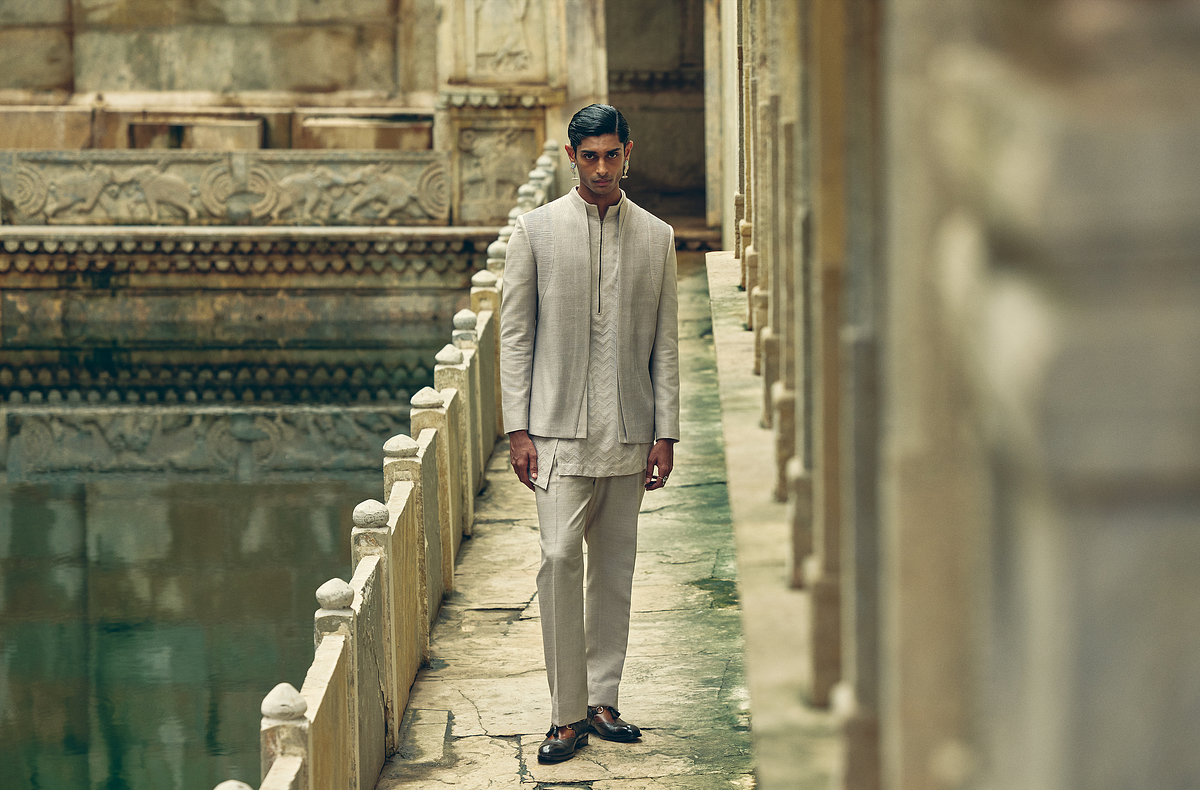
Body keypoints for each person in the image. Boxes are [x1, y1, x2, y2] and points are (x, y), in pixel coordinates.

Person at [500, 103, 679, 763]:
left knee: (613, 570)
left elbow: (666, 345)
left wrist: (666, 432)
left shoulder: (657, 237)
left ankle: (602, 701)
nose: (601, 168)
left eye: (612, 155)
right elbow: (516, 337)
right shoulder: (535, 231)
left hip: (629, 434)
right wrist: (517, 428)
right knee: (557, 560)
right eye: (590, 156)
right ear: (573, 157)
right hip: (556, 437)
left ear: (628, 153)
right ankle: (565, 715)